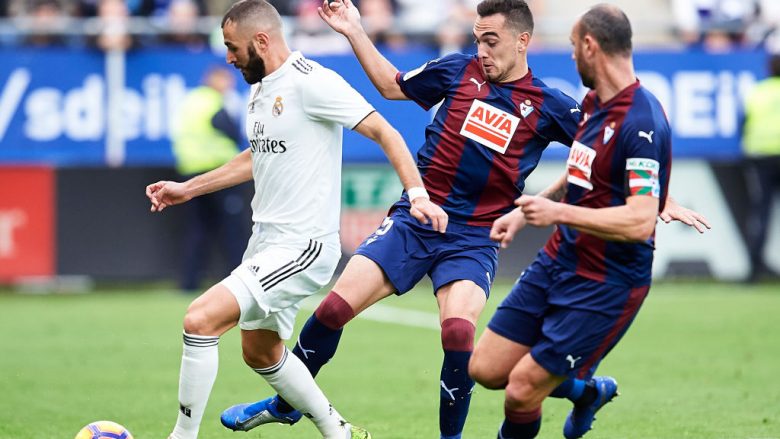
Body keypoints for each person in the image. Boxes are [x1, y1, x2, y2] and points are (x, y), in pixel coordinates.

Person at [222, 1, 583, 438]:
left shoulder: (548, 104)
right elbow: (392, 87)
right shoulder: (457, 70)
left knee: (456, 335)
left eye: (492, 41)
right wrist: (354, 30)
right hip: (417, 218)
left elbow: (597, 154)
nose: (482, 50)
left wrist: (651, 197)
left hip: (474, 237)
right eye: (477, 40)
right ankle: (287, 405)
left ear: (523, 41)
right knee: (333, 308)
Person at [145, 1, 446, 438]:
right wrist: (187, 189)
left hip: (303, 247)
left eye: (232, 47)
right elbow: (256, 156)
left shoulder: (313, 83)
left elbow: (386, 130)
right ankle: (337, 430)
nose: (228, 57)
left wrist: (417, 195)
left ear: (261, 41)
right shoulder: (260, 87)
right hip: (266, 242)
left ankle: (181, 436)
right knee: (261, 351)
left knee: (199, 320)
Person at [468, 5, 710, 439]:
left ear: (590, 46)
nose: (572, 58)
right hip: (559, 260)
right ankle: (587, 392)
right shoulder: (594, 101)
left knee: (521, 389)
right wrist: (527, 211)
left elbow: (639, 222)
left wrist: (558, 213)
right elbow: (578, 170)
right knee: (484, 368)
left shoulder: (642, 121)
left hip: (606, 283)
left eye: (573, 49)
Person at [170, 65, 245, 293]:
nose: (230, 86)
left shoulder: (190, 101)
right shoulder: (213, 103)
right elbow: (233, 132)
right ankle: (239, 280)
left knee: (197, 230)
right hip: (217, 174)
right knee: (232, 229)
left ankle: (189, 282)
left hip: (189, 172)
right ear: (215, 81)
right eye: (227, 81)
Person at [741, 53, 780, 283]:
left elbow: (744, 122)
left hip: (760, 157)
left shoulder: (758, 91)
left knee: (760, 214)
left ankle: (754, 270)